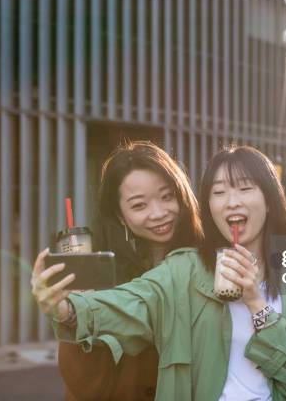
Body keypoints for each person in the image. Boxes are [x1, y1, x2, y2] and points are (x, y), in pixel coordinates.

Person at [33, 145, 286, 400]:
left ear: (270, 200)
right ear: (209, 206)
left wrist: (257, 304)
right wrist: (68, 309)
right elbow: (133, 301)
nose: (232, 201)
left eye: (245, 188)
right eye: (219, 192)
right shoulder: (185, 267)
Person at [32, 141, 203, 400]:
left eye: (167, 197)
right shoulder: (103, 274)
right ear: (120, 216)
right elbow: (82, 384)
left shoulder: (209, 261)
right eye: (139, 205)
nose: (158, 213)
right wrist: (70, 312)